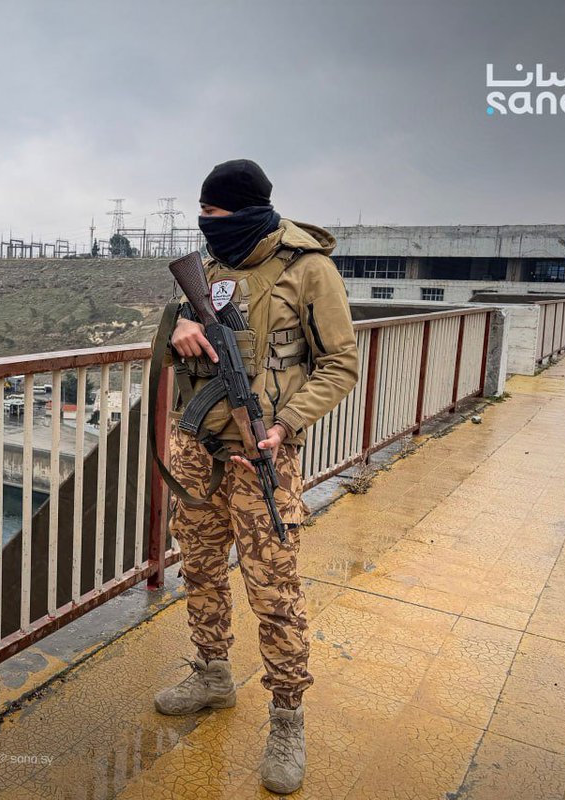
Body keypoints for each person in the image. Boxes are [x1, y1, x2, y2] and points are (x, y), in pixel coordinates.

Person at [151, 159, 359, 795]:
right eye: (202, 214)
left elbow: (341, 364)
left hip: (264, 453)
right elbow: (183, 335)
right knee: (201, 567)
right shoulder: (213, 267)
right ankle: (213, 673)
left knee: (274, 589)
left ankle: (288, 717)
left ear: (247, 212)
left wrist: (286, 424)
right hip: (199, 450)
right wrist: (179, 325)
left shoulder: (309, 269)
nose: (205, 224)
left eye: (213, 213)